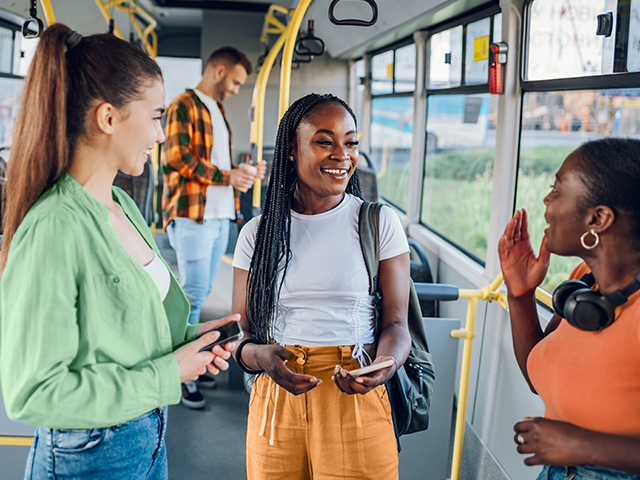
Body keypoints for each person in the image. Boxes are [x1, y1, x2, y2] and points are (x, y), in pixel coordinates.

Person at [0, 24, 239, 480]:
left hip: (145, 435)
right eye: (154, 117)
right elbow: (33, 392)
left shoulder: (123, 204)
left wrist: (188, 342)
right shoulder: (54, 227)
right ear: (108, 118)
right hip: (86, 455)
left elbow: (116, 332)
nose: (162, 134)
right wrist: (169, 373)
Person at [231, 93, 411, 479]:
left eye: (351, 142)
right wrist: (260, 358)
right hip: (278, 395)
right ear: (293, 150)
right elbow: (241, 336)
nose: (342, 155)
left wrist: (386, 365)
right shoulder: (257, 235)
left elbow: (397, 326)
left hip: (355, 391)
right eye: (325, 141)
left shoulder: (378, 223)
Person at [498, 138, 640, 480]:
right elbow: (539, 376)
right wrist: (520, 294)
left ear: (599, 218)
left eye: (556, 190)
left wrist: (583, 445)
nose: (547, 201)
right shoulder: (583, 286)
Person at [161, 46, 265, 408]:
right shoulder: (183, 105)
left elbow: (218, 164)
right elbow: (177, 157)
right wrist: (228, 175)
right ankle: (178, 375)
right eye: (235, 81)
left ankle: (195, 362)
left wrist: (245, 174)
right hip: (194, 214)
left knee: (199, 294)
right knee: (190, 296)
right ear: (218, 70)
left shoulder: (217, 111)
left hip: (220, 214)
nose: (236, 89)